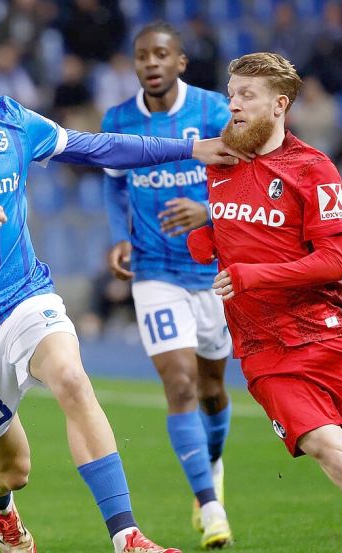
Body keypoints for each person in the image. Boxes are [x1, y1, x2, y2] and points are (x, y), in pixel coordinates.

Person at [0, 23, 239, 553]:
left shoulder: (10, 121)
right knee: (11, 470)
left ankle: (126, 535)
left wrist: (189, 147)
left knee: (69, 376)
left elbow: (97, 146)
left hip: (24, 297)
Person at [186, 53, 342, 553]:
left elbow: (332, 262)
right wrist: (204, 237)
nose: (232, 104)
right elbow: (233, 232)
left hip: (328, 337)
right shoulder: (219, 163)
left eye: (246, 96)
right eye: (231, 93)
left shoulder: (313, 169)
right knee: (337, 459)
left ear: (279, 105)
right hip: (264, 350)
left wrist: (253, 274)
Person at [101, 22, 234, 550]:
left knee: (213, 388)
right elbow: (114, 188)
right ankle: (210, 504)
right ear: (135, 65)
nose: (151, 63)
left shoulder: (214, 113)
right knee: (179, 385)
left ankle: (213, 466)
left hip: (213, 273)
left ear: (180, 61)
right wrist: (119, 237)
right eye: (141, 56)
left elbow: (243, 179)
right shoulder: (119, 120)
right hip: (154, 272)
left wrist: (207, 211)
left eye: (161, 54)